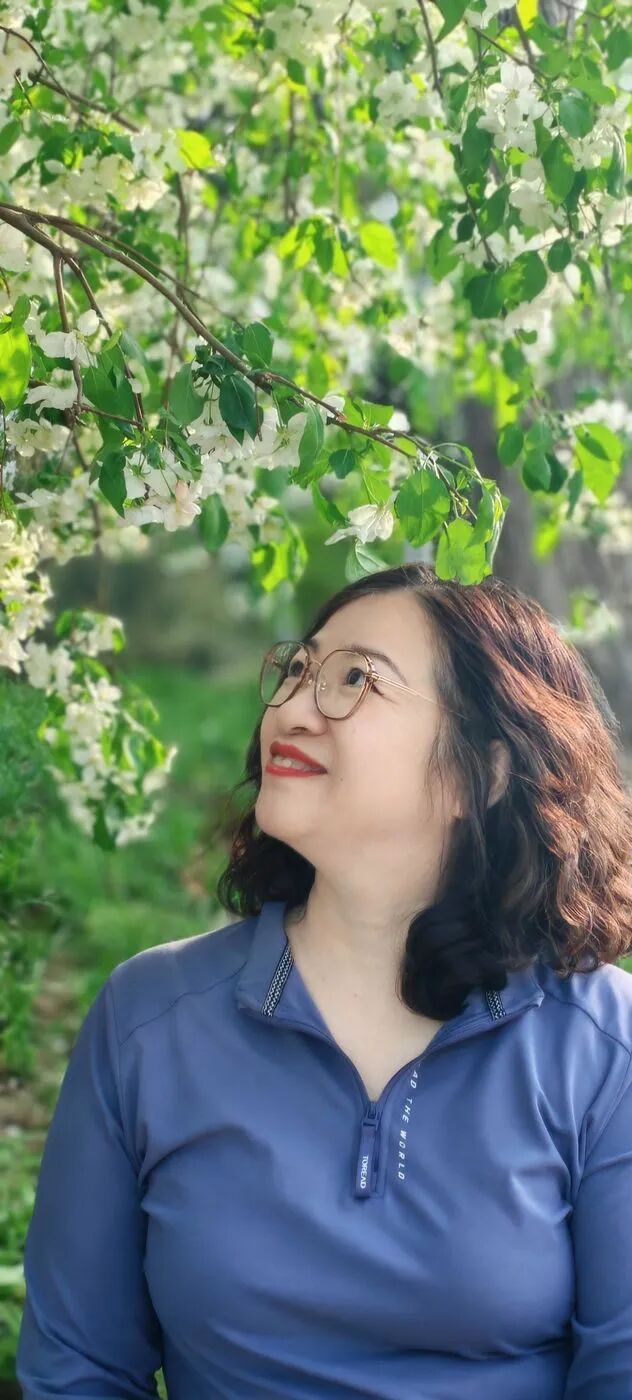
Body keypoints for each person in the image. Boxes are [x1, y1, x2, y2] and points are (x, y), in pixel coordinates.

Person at [16, 562, 632, 1399]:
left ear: (481, 774)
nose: (294, 708)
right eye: (300, 670)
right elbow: (78, 1370)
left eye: (356, 680)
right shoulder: (149, 1021)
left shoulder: (602, 1047)